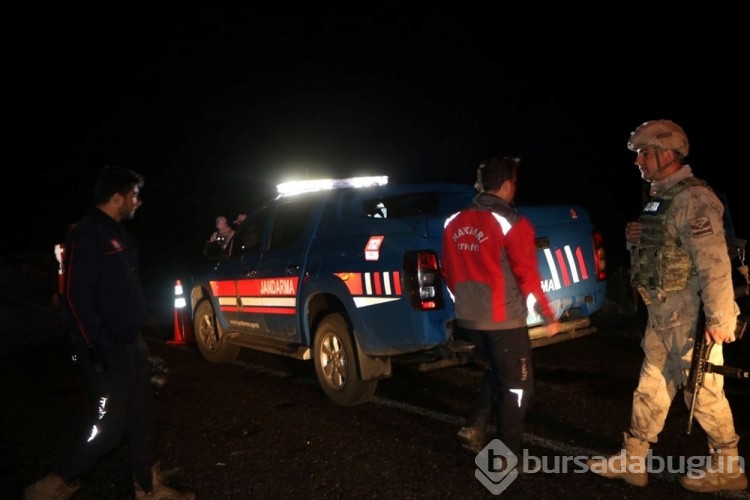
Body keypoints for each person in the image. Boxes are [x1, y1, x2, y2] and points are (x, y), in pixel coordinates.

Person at [587, 120, 747, 492]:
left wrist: (721, 317)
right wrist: (637, 239)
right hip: (663, 311)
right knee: (651, 385)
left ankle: (728, 464)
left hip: (690, 315)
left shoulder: (693, 198)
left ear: (667, 155)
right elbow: (665, 249)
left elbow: (714, 262)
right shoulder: (663, 196)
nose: (638, 161)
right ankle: (634, 458)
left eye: (644, 153)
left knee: (703, 391)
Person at [24, 166, 194, 499]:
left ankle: (146, 488)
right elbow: (74, 298)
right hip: (106, 349)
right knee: (109, 427)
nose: (138, 201)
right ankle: (54, 483)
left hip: (131, 344)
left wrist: (136, 339)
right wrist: (93, 346)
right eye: (134, 195)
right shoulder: (88, 234)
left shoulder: (117, 234)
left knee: (144, 419)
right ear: (117, 197)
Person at [441, 156, 561, 458]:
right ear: (507, 185)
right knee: (519, 386)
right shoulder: (512, 222)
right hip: (503, 320)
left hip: (468, 319)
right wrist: (548, 314)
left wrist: (466, 303)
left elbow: (448, 270)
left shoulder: (453, 221)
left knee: (498, 370)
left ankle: (475, 425)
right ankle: (508, 454)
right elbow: (527, 274)